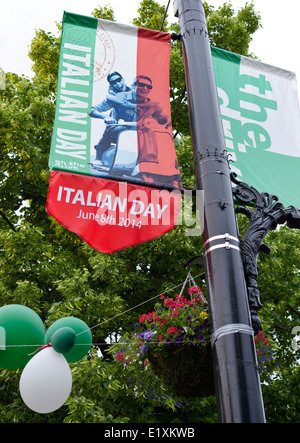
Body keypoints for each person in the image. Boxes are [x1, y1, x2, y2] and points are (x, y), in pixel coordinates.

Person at [90, 75, 171, 164]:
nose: (145, 88)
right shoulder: (119, 97)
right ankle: (99, 155)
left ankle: (149, 161)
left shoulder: (152, 105)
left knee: (148, 128)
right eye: (141, 85)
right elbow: (92, 110)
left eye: (148, 87)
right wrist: (106, 117)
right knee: (112, 129)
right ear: (134, 85)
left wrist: (161, 122)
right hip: (118, 130)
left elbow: (164, 119)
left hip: (139, 134)